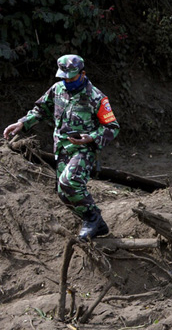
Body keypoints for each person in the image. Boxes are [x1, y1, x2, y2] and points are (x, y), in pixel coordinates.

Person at [3, 55, 119, 240]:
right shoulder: (57, 89)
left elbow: (112, 127)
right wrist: (22, 124)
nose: (67, 81)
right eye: (64, 77)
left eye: (71, 77)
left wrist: (90, 138)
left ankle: (92, 218)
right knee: (63, 194)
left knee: (70, 181)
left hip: (84, 149)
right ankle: (99, 225)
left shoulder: (96, 97)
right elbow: (41, 110)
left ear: (82, 74)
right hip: (62, 149)